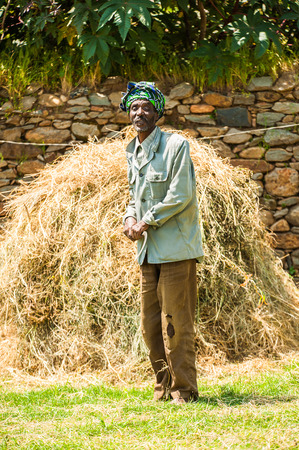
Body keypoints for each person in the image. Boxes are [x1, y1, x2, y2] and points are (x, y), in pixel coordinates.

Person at [121, 81, 204, 404]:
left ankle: (184, 389)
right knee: (150, 324)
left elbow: (180, 195)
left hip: (175, 249)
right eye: (134, 107)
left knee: (177, 323)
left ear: (158, 112)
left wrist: (146, 220)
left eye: (146, 107)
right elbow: (134, 197)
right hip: (147, 250)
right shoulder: (133, 149)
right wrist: (129, 218)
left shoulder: (175, 146)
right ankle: (163, 387)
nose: (139, 113)